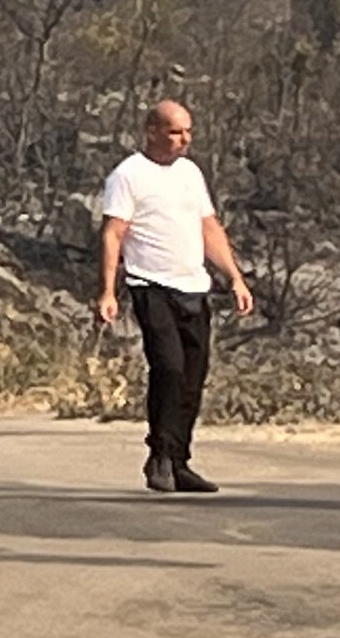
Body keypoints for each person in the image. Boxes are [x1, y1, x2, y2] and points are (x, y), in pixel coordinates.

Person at [97, 98, 254, 494]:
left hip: (193, 286)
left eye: (188, 132)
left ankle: (181, 459)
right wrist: (107, 291)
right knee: (168, 367)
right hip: (150, 285)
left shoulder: (190, 173)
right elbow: (113, 233)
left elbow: (209, 228)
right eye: (175, 132)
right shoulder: (128, 175)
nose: (184, 139)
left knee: (193, 375)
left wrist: (234, 277)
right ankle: (160, 455)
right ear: (151, 132)